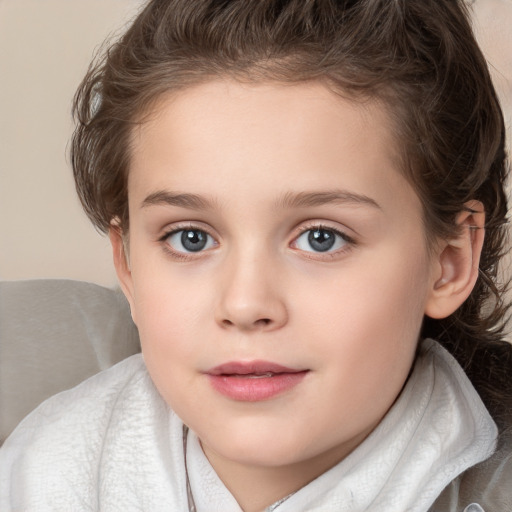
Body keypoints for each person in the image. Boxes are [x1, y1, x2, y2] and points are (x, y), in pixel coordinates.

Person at [1, 0, 511, 510]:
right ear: (129, 266)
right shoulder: (42, 474)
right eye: (190, 238)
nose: (245, 305)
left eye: (321, 238)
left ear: (448, 262)